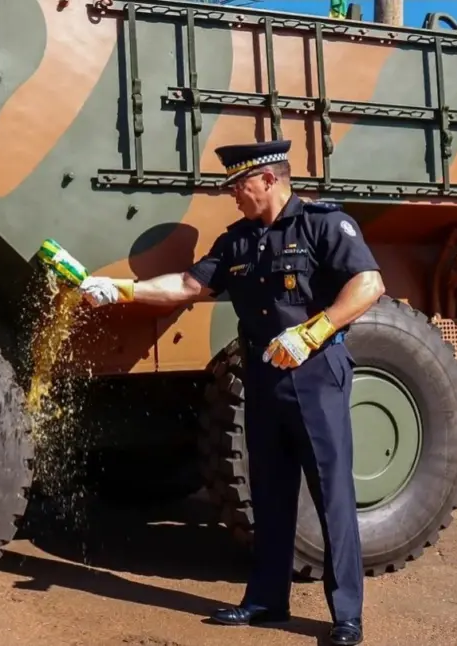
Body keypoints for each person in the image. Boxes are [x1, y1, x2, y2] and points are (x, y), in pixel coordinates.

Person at [77, 139, 384, 646]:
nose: (234, 195)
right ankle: (267, 601)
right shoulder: (238, 241)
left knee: (331, 494)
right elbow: (187, 286)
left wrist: (313, 331)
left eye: (239, 185)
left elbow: (368, 284)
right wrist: (120, 289)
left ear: (270, 179)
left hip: (313, 373)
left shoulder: (323, 225)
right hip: (262, 377)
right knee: (268, 490)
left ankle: (346, 614)